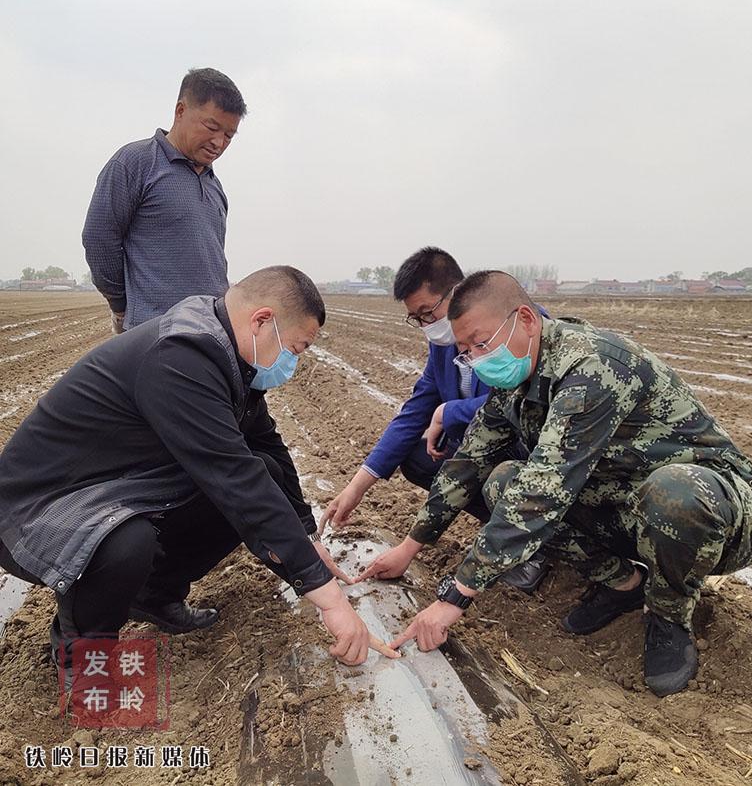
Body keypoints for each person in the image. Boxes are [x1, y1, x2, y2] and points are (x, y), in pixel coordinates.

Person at [362, 271, 752, 697]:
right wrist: (409, 548)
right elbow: (469, 462)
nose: (477, 360)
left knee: (673, 490)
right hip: (626, 503)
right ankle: (624, 585)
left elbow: (544, 490)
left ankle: (668, 615)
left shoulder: (591, 366)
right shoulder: (518, 377)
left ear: (525, 319)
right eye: (466, 352)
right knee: (504, 481)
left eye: (481, 344)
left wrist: (454, 598)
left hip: (715, 515)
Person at [0, 266, 397, 693]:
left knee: (262, 469)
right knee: (126, 541)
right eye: (296, 348)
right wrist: (330, 600)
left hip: (111, 488)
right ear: (262, 321)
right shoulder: (180, 357)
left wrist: (306, 538)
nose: (293, 362)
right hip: (35, 512)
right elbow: (231, 474)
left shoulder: (228, 359)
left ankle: (153, 595)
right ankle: (81, 659)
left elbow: (266, 448)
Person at [321, 248, 550, 593]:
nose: (427, 326)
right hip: (480, 442)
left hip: (527, 447)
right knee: (417, 456)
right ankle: (505, 524)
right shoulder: (444, 344)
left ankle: (538, 544)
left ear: (457, 292)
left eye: (428, 312)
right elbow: (416, 409)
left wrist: (449, 412)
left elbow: (513, 403)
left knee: (500, 472)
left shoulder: (512, 330)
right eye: (417, 318)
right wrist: (356, 487)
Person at [82, 67, 246, 333]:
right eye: (212, 127)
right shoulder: (135, 163)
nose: (219, 142)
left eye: (229, 135)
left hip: (208, 334)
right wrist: (122, 304)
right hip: (155, 335)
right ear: (180, 111)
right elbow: (99, 239)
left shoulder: (215, 187)